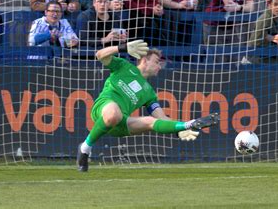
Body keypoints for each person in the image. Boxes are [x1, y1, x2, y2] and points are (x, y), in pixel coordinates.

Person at [76, 41, 219, 172]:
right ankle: (85, 148)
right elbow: (100, 55)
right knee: (114, 113)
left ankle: (190, 123)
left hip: (120, 124)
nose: (159, 66)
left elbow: (161, 118)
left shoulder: (149, 93)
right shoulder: (124, 66)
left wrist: (181, 128)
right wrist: (122, 47)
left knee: (150, 121)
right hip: (103, 109)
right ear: (144, 60)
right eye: (157, 62)